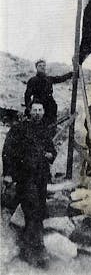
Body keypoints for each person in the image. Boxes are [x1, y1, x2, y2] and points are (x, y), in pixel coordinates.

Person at [2, 101, 57, 268]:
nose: (38, 113)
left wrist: (50, 155)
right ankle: (33, 252)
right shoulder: (19, 129)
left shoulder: (44, 130)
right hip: (25, 178)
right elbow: (7, 152)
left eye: (41, 110)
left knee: (38, 213)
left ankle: (35, 249)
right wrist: (8, 174)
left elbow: (53, 151)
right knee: (32, 211)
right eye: (35, 110)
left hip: (41, 178)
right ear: (29, 111)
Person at [24, 59, 73, 127]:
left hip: (50, 105)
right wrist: (29, 108)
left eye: (44, 65)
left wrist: (71, 74)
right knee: (39, 123)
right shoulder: (32, 80)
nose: (42, 67)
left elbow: (60, 78)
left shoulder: (49, 79)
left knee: (51, 123)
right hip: (39, 105)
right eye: (40, 66)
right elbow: (27, 96)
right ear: (36, 68)